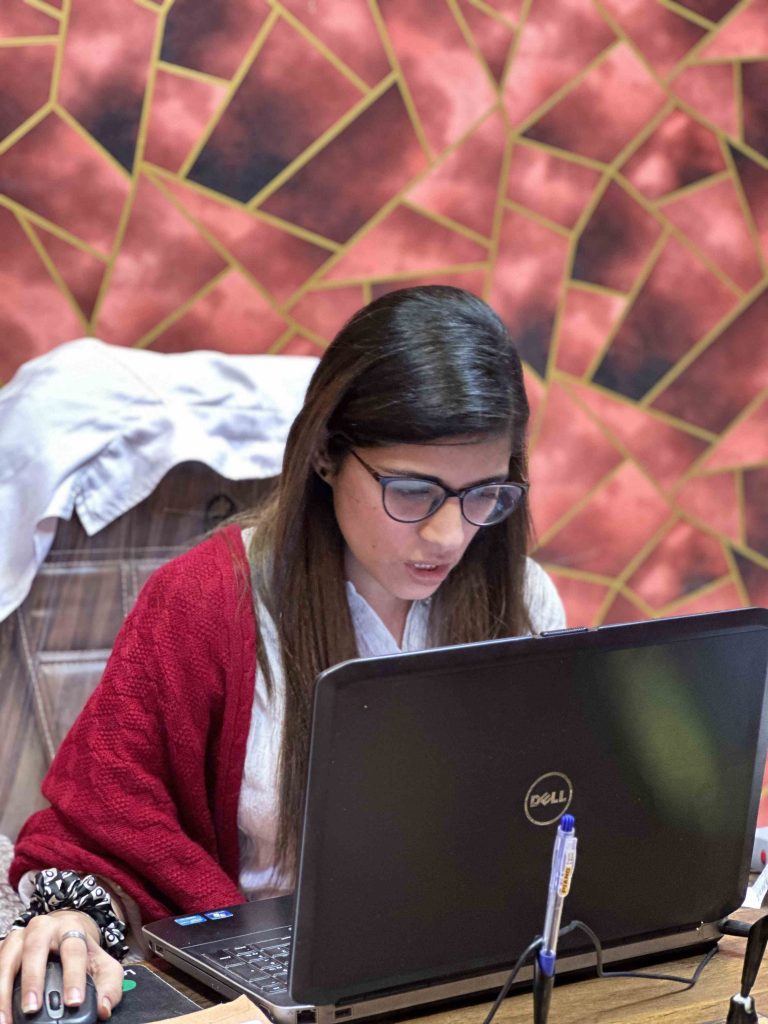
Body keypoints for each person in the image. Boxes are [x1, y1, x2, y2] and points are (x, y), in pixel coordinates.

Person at [0, 285, 565, 1021]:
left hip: (471, 979)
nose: (451, 536)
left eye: (485, 493)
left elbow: (557, 813)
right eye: (413, 492)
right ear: (328, 455)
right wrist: (74, 920)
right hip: (256, 990)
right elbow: (101, 829)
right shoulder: (208, 602)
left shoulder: (522, 598)